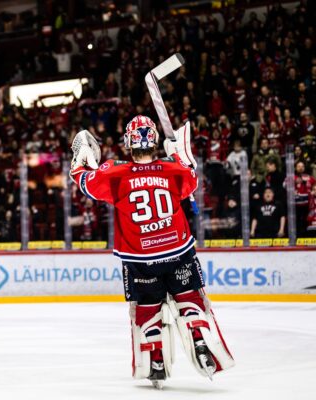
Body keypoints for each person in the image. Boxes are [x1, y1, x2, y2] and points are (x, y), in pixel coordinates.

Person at [69, 116, 234, 388]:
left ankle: (155, 359)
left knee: (147, 310)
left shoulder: (114, 172)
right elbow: (191, 183)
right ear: (154, 139)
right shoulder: (172, 168)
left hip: (140, 259)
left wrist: (80, 159)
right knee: (190, 300)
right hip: (177, 249)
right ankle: (198, 336)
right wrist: (178, 156)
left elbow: (85, 182)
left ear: (129, 142)